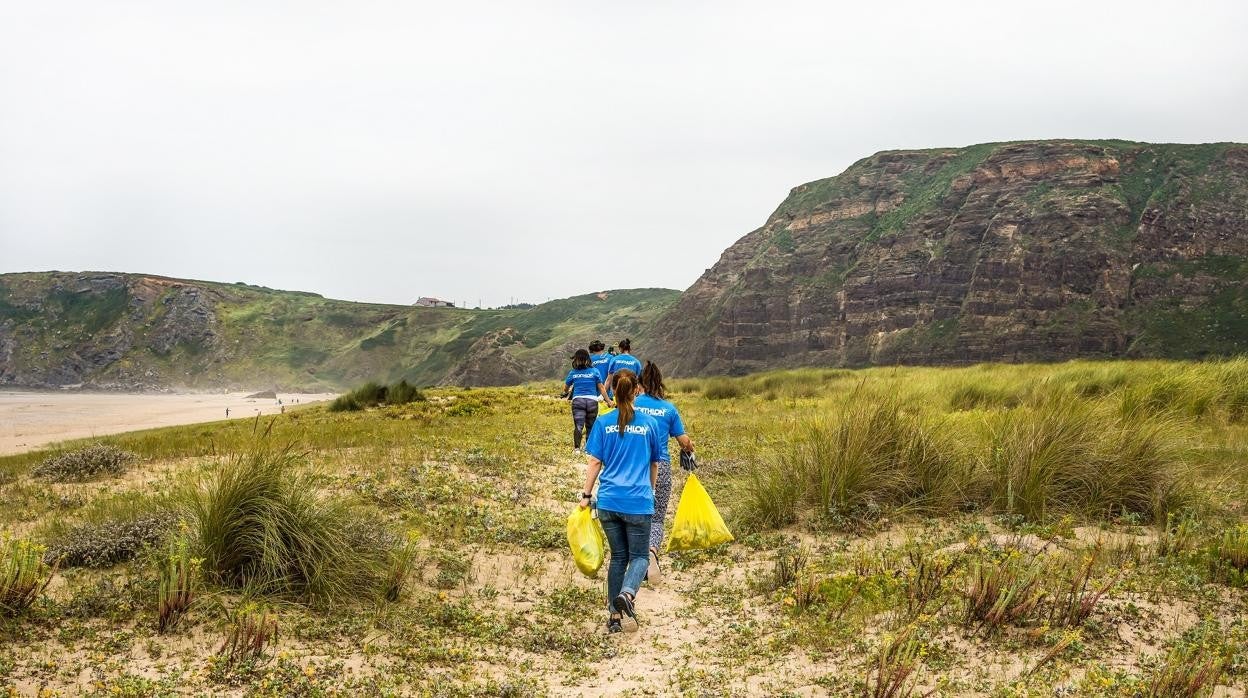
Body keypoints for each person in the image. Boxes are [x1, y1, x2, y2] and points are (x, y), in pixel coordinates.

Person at [580, 369, 662, 633]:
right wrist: (649, 492)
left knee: (618, 558)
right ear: (637, 389)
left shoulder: (604, 423)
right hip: (638, 501)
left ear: (613, 389)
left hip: (608, 502)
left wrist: (586, 496)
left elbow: (594, 462)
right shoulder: (650, 424)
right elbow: (654, 464)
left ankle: (615, 618)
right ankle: (627, 595)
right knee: (640, 557)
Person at [634, 361, 694, 583]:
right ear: (661, 383)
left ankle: (636, 559)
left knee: (636, 514)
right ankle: (651, 552)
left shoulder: (632, 405)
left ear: (639, 382)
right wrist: (689, 447)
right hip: (661, 467)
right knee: (657, 517)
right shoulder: (669, 409)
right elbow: (683, 441)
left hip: (634, 466)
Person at [561, 349, 610, 452]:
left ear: (576, 359)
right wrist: (608, 401)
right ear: (588, 359)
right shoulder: (595, 371)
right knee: (590, 427)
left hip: (578, 401)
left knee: (578, 426)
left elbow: (565, 388)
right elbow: (601, 388)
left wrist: (565, 393)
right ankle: (588, 449)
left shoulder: (573, 373)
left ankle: (577, 449)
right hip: (592, 401)